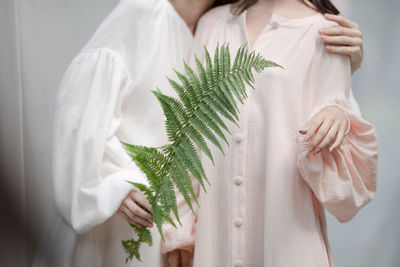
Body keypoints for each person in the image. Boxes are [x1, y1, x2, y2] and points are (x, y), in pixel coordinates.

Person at [51, 0, 366, 266]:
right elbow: (86, 101)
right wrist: (114, 184)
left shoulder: (211, 22)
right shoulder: (156, 14)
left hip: (274, 231)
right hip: (135, 227)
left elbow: (319, 122)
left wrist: (340, 78)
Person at [160, 0, 378, 266]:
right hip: (215, 242)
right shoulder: (213, 24)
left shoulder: (327, 30)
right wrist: (179, 230)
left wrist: (337, 119)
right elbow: (188, 135)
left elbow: (345, 195)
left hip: (288, 238)